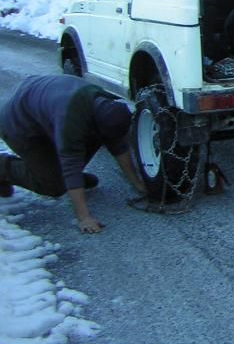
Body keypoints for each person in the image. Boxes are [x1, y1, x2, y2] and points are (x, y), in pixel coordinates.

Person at [0, 74, 147, 233]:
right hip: (18, 126)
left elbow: (118, 146)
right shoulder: (71, 121)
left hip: (45, 110)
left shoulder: (106, 105)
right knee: (53, 186)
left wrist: (137, 183)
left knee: (94, 139)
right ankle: (4, 166)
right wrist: (84, 218)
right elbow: (71, 164)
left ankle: (68, 182)